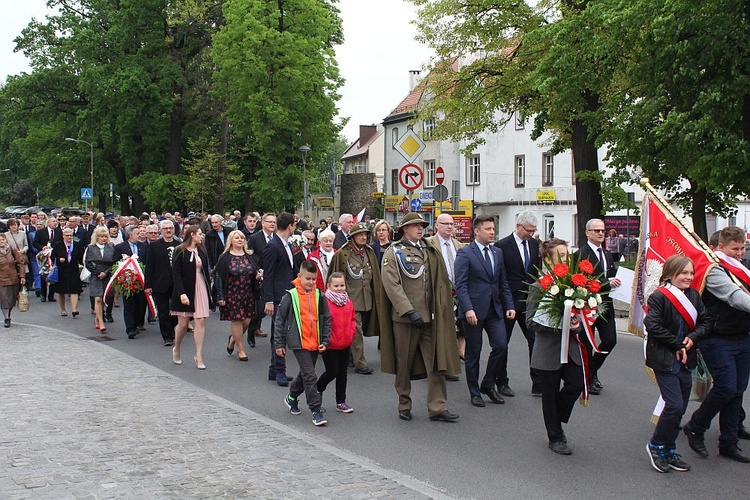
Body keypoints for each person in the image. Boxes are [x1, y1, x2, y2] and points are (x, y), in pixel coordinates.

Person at [380, 212, 461, 422]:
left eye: (422, 225)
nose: (420, 228)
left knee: (436, 361)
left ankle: (437, 407)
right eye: (415, 225)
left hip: (431, 316)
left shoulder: (429, 249)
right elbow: (392, 285)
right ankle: (404, 403)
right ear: (405, 229)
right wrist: (408, 310)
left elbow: (440, 280)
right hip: (406, 318)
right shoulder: (394, 252)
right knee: (404, 362)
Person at [683, 226, 750, 462]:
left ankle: (728, 442)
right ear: (721, 247)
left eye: (743, 248)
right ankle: (696, 426)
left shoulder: (742, 267)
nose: (740, 253)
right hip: (717, 337)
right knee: (727, 387)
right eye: (735, 249)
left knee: (737, 391)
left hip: (742, 336)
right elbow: (734, 296)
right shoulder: (714, 270)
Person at [644, 255, 709, 473]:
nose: (689, 277)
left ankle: (669, 450)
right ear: (672, 274)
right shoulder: (659, 297)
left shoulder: (693, 296)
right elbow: (652, 325)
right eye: (684, 273)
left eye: (691, 273)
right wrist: (677, 343)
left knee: (680, 408)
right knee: (674, 405)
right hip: (664, 359)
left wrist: (693, 337)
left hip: (686, 359)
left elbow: (706, 322)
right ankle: (655, 445)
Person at [526, 238, 584, 455]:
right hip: (548, 349)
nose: (566, 259)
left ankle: (555, 416)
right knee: (549, 393)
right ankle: (556, 436)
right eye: (561, 255)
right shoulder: (538, 286)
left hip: (570, 348)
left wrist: (576, 323)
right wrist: (557, 326)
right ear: (548, 260)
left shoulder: (572, 285)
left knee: (576, 383)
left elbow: (579, 315)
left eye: (567, 255)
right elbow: (530, 321)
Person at [454, 214, 515, 407]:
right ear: (477, 231)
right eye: (488, 229)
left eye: (493, 228)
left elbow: (502, 282)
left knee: (501, 346)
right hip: (473, 311)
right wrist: (467, 309)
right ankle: (474, 392)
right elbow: (461, 284)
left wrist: (509, 305)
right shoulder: (465, 253)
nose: (492, 232)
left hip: (494, 310)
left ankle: (488, 384)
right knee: (474, 352)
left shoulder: (497, 253)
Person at [275, 260, 332, 426]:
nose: (311, 282)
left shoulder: (319, 296)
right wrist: (279, 344)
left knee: (305, 374)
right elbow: (280, 320)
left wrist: (326, 340)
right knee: (310, 375)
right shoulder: (290, 296)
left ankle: (291, 397)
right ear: (299, 276)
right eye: (308, 279)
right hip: (298, 342)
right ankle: (316, 410)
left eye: (314, 279)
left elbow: (326, 319)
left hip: (315, 342)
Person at [495, 210, 542, 396]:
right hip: (509, 301)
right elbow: (501, 276)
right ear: (518, 226)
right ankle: (502, 381)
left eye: (533, 230)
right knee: (502, 343)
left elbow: (533, 271)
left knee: (535, 340)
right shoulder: (502, 246)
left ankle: (537, 382)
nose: (531, 234)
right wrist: (506, 302)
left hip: (529, 301)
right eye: (528, 230)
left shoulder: (533, 245)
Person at [573, 218, 621, 395]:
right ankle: (587, 377)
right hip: (588, 306)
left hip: (605, 304)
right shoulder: (580, 254)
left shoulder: (607, 253)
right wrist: (606, 282)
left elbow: (612, 275)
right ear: (587, 233)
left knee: (610, 340)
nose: (601, 233)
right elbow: (580, 281)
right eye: (597, 231)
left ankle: (592, 371)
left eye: (603, 230)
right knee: (587, 343)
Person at [329, 222, 384, 375]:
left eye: (365, 234)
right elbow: (336, 276)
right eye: (360, 234)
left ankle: (351, 357)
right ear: (352, 237)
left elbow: (374, 275)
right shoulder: (342, 253)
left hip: (367, 298)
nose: (363, 237)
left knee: (356, 331)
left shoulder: (369, 252)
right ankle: (360, 363)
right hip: (350, 300)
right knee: (356, 331)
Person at [263, 212, 299, 386]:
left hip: (286, 293)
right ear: (290, 225)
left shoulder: (285, 244)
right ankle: (279, 371)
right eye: (295, 225)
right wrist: (268, 300)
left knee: (280, 332)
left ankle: (274, 369)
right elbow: (268, 275)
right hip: (277, 296)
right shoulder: (273, 246)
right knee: (280, 333)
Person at [170, 225, 213, 370]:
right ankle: (177, 348)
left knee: (200, 321)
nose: (202, 236)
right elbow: (176, 274)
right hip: (185, 289)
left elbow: (205, 272)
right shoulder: (179, 250)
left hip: (200, 286)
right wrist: (181, 293)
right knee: (183, 324)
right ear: (192, 235)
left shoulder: (202, 251)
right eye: (200, 234)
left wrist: (210, 292)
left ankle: (199, 355)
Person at [428, 213, 465, 374]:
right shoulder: (429, 244)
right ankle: (438, 363)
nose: (449, 227)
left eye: (451, 224)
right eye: (445, 224)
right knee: (440, 330)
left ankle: (452, 361)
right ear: (437, 225)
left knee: (456, 328)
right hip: (438, 292)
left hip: (457, 292)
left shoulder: (458, 245)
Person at [215, 230, 259, 362]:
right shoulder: (225, 257)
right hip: (232, 293)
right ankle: (241, 349)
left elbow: (255, 272)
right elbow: (219, 277)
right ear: (231, 241)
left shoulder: (249, 256)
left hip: (248, 293)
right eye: (237, 238)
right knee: (237, 320)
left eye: (242, 238)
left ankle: (234, 339)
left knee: (246, 321)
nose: (240, 240)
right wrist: (220, 296)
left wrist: (258, 276)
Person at [317, 272, 357, 413]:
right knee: (332, 371)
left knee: (342, 374)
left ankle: (341, 401)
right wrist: (325, 340)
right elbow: (321, 323)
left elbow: (353, 320)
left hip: (345, 343)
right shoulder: (324, 302)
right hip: (330, 344)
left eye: (342, 285)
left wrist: (351, 334)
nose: (339, 288)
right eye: (336, 286)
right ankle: (318, 389)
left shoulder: (348, 302)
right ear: (329, 286)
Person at [145, 220, 181, 346]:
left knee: (176, 309)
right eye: (165, 228)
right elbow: (150, 266)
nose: (168, 230)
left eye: (170, 228)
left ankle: (173, 330)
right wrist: (148, 285)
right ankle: (167, 336)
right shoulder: (154, 246)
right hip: (160, 282)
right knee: (163, 310)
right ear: (161, 230)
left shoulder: (179, 244)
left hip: (177, 283)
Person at [114, 226, 149, 339]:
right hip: (127, 280)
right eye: (137, 233)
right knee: (129, 304)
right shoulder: (120, 247)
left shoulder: (144, 246)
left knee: (140, 303)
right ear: (130, 235)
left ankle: (137, 323)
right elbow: (115, 262)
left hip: (141, 280)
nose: (140, 235)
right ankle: (130, 328)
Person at [247, 213, 277, 341]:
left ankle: (267, 333)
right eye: (269, 222)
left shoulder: (277, 238)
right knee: (260, 307)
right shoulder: (255, 238)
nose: (272, 224)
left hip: (274, 276)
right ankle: (251, 330)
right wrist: (257, 270)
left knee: (272, 307)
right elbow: (250, 256)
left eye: (274, 222)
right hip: (259, 276)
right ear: (263, 223)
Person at [84, 227, 117, 332]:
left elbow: (114, 262)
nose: (103, 239)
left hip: (107, 275)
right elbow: (87, 263)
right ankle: (101, 321)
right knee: (97, 298)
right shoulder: (91, 248)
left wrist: (106, 273)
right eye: (101, 237)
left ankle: (98, 316)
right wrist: (97, 273)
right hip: (96, 275)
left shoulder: (111, 247)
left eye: (105, 237)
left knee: (104, 298)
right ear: (96, 237)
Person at [50, 228, 84, 317]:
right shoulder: (58, 245)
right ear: (63, 236)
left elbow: (81, 258)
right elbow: (52, 256)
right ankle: (63, 309)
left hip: (74, 270)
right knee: (61, 291)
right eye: (67, 235)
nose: (69, 237)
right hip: (62, 270)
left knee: (74, 290)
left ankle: (74, 310)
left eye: (71, 235)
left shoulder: (77, 245)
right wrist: (58, 259)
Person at [0, 233, 26, 327]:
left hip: (14, 278)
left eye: (2, 240)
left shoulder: (12, 249)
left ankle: (9, 314)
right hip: (2, 279)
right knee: (4, 299)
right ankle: (6, 318)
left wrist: (22, 276)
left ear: (6, 241)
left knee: (12, 300)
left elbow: (20, 263)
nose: (1, 242)